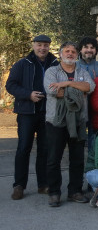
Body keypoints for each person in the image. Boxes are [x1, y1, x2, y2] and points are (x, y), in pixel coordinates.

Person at [6, 35, 58, 200]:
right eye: (39, 45)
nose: (42, 48)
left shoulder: (55, 64)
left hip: (47, 113)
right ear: (33, 45)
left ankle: (43, 184)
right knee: (23, 148)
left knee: (44, 149)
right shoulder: (22, 64)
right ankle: (19, 185)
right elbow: (11, 85)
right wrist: (28, 95)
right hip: (27, 113)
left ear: (49, 47)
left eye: (45, 45)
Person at [44, 41, 95, 207]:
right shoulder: (52, 71)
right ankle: (54, 192)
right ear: (61, 54)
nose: (70, 54)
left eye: (73, 51)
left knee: (78, 159)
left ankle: (75, 191)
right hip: (56, 122)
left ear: (77, 54)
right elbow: (52, 91)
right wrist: (78, 91)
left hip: (79, 122)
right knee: (53, 159)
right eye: (67, 51)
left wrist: (67, 84)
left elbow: (90, 87)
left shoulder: (82, 71)